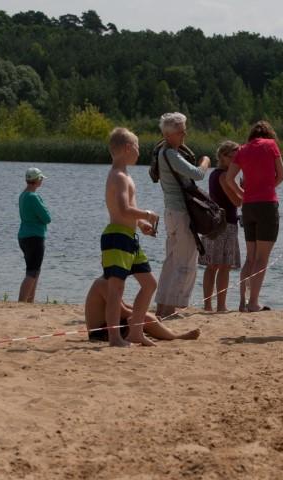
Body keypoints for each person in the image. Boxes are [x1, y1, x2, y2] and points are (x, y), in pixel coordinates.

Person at [101, 127, 159, 347]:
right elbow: (124, 209)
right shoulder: (118, 176)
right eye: (137, 147)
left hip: (129, 237)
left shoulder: (125, 176)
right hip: (117, 237)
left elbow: (128, 210)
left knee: (149, 284)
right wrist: (147, 214)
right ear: (127, 148)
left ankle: (135, 332)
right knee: (116, 289)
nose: (139, 151)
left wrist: (142, 224)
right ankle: (115, 337)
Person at [154, 112, 210, 319]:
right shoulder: (170, 154)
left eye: (184, 130)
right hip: (180, 213)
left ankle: (162, 307)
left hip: (171, 213)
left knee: (171, 261)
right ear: (168, 135)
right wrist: (206, 161)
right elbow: (198, 174)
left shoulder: (161, 151)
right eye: (180, 132)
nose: (184, 135)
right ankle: (170, 310)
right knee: (185, 262)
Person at [226, 121, 283, 312]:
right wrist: (268, 188)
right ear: (269, 135)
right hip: (267, 205)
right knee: (262, 258)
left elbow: (229, 179)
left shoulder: (242, 149)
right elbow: (281, 175)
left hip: (248, 206)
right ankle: (253, 302)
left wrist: (243, 194)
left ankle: (242, 302)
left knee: (250, 258)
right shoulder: (271, 145)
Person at [84, 277, 201, 341]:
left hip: (105, 328)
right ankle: (176, 337)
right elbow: (122, 311)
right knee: (144, 318)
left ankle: (167, 332)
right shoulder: (104, 283)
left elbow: (124, 305)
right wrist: (144, 316)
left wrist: (146, 313)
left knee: (144, 316)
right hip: (100, 333)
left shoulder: (107, 281)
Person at [199, 141, 242, 312]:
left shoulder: (214, 174)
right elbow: (236, 201)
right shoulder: (224, 176)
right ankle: (220, 306)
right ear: (223, 157)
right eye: (234, 157)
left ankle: (209, 305)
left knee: (214, 267)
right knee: (222, 267)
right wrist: (244, 189)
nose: (237, 161)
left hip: (216, 224)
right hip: (224, 224)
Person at [18, 167, 51, 303]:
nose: (42, 181)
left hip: (24, 236)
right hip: (35, 237)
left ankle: (30, 301)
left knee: (34, 270)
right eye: (41, 178)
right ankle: (22, 302)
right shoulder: (34, 197)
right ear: (36, 180)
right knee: (32, 271)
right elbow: (47, 218)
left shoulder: (23, 195)